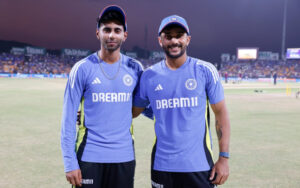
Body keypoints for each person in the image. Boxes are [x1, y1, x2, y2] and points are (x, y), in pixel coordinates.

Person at [133, 15, 231, 187]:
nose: (174, 40)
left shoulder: (205, 70)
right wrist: (90, 110)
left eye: (179, 35)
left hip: (199, 166)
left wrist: (224, 157)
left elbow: (221, 113)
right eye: (168, 36)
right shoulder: (149, 76)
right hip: (162, 166)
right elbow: (133, 111)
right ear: (160, 40)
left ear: (188, 39)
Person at [61, 5, 143, 188]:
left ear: (125, 35)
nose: (111, 35)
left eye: (117, 30)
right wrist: (69, 162)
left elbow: (146, 107)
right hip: (89, 157)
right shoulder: (82, 68)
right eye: (106, 29)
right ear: (98, 33)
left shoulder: (136, 68)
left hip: (124, 157)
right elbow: (67, 119)